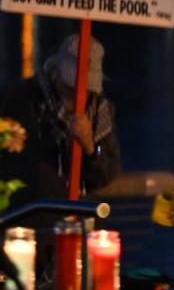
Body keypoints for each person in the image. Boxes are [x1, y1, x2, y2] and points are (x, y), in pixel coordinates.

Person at [0, 34, 120, 208]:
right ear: (55, 71)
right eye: (70, 87)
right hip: (22, 216)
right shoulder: (17, 97)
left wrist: (90, 147)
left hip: (76, 217)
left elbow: (105, 173)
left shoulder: (100, 111)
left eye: (86, 89)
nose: (77, 95)